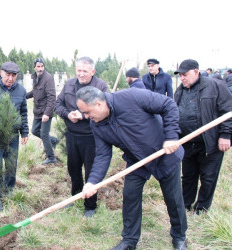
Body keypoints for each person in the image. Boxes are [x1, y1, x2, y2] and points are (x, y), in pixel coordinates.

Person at [78, 86, 187, 250]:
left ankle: (179, 237)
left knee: (173, 198)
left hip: (165, 154)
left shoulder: (132, 97)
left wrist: (171, 136)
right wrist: (92, 181)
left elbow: (168, 105)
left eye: (87, 112)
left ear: (99, 104)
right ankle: (129, 240)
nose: (86, 117)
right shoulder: (96, 125)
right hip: (136, 161)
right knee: (130, 196)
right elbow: (102, 155)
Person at [174, 59, 232, 214]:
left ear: (195, 71)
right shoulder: (180, 91)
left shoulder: (215, 87)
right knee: (188, 176)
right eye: (180, 75)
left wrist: (226, 135)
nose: (182, 78)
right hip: (187, 143)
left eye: (185, 74)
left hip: (209, 143)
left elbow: (228, 111)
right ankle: (185, 204)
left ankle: (201, 208)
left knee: (208, 178)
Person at [55, 56, 108, 218]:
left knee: (91, 172)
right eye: (79, 70)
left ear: (93, 71)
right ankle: (76, 196)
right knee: (73, 169)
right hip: (72, 136)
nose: (81, 74)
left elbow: (106, 109)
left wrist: (84, 116)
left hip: (92, 136)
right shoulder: (69, 84)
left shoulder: (100, 86)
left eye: (85, 71)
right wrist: (67, 114)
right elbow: (58, 104)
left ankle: (90, 206)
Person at [0, 62, 29, 211]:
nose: (10, 78)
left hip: (13, 135)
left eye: (13, 75)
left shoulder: (21, 90)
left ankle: (9, 191)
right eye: (7, 74)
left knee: (11, 165)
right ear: (1, 73)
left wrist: (25, 132)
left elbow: (23, 113)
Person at [26, 58, 59, 164]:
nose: (40, 69)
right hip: (38, 111)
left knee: (44, 134)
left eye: (42, 66)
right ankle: (53, 140)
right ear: (34, 67)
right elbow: (35, 92)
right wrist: (24, 96)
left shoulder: (48, 78)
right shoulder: (35, 77)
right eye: (38, 66)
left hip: (46, 111)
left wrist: (47, 113)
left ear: (44, 67)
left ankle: (51, 157)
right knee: (35, 131)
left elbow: (52, 97)